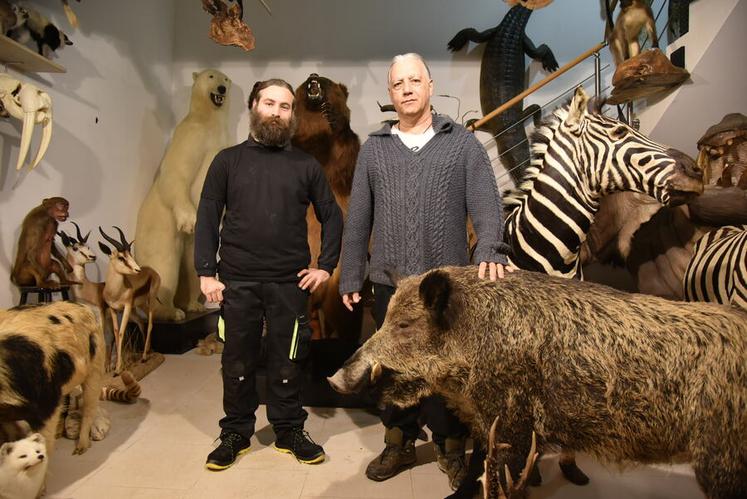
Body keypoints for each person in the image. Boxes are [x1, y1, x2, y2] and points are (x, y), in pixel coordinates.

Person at [339, 53, 513, 490]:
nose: (408, 89)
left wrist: (491, 246)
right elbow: (358, 218)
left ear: (430, 86)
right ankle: (397, 441)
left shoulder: (462, 144)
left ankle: (451, 446)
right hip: (389, 286)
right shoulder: (374, 150)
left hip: (444, 288)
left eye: (415, 80)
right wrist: (349, 275)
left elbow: (487, 203)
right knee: (393, 369)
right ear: (391, 93)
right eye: (399, 83)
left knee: (446, 370)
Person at [195, 78, 343, 471]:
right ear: (254, 107)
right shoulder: (227, 161)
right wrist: (206, 273)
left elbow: (332, 215)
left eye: (284, 106)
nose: (277, 112)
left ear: (292, 114)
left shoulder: (306, 165)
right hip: (236, 282)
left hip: (288, 284)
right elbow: (207, 217)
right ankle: (235, 432)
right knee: (237, 361)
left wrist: (325, 266)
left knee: (287, 361)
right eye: (269, 104)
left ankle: (289, 429)